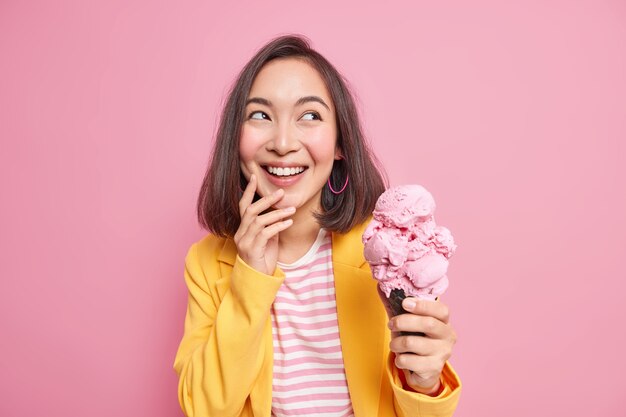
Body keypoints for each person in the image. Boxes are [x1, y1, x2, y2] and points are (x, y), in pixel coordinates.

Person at [173, 34, 461, 417]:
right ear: (235, 139)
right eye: (260, 115)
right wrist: (250, 279)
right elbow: (203, 409)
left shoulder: (383, 250)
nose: (283, 142)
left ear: (341, 143)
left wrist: (425, 380)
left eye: (309, 116)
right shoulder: (207, 263)